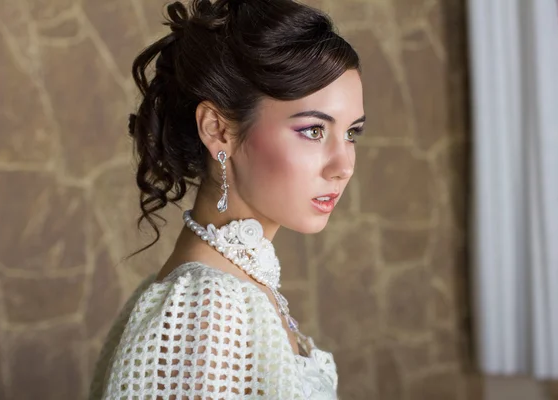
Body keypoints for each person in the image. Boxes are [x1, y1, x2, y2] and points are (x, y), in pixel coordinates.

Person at [88, 0, 365, 398]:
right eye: (313, 131)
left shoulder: (232, 289)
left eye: (352, 133)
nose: (344, 165)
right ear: (218, 130)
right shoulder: (208, 309)